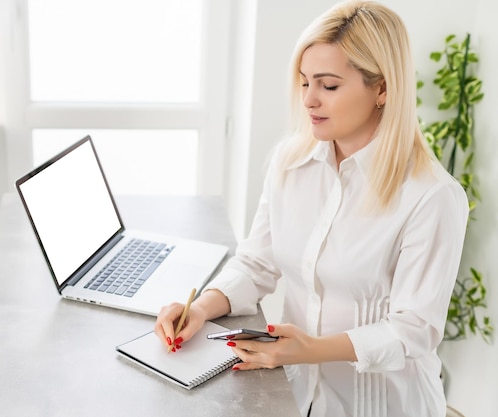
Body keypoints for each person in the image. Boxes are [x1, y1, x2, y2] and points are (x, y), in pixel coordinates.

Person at [154, 1, 469, 416]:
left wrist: (311, 350)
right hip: (296, 396)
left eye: (329, 86)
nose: (309, 100)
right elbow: (257, 264)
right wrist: (200, 308)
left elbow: (413, 331)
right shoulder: (291, 162)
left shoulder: (432, 196)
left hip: (381, 406)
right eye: (304, 83)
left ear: (383, 88)